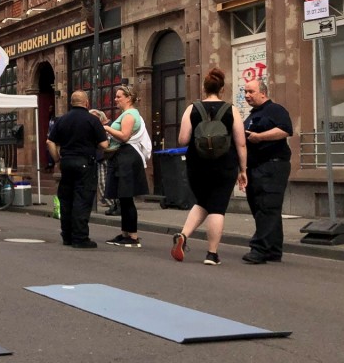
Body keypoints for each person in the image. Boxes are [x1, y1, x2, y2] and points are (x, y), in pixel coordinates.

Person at [169, 69, 248, 265]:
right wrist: (243, 169)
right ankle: (212, 254)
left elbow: (182, 140)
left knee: (204, 200)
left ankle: (184, 235)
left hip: (197, 165)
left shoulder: (191, 109)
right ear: (222, 89)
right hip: (224, 164)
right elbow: (241, 143)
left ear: (204, 89)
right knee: (217, 207)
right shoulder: (231, 110)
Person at [241, 79, 293, 264]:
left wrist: (260, 137)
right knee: (262, 208)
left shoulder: (275, 110)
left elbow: (286, 130)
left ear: (262, 92)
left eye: (251, 92)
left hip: (273, 165)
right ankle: (273, 250)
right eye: (245, 92)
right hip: (256, 168)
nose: (247, 95)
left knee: (267, 207)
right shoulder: (251, 116)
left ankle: (259, 249)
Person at [48, 91, 109, 248]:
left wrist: (57, 159)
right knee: (82, 199)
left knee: (66, 199)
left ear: (71, 102)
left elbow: (50, 141)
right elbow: (104, 145)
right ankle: (80, 237)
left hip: (66, 163)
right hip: (85, 163)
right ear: (87, 103)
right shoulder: (92, 120)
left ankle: (67, 236)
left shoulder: (61, 120)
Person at [102, 85, 151, 248]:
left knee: (127, 197)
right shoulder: (126, 114)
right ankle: (125, 233)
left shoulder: (130, 115)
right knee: (123, 198)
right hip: (123, 158)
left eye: (118, 96)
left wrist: (107, 128)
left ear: (128, 98)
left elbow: (124, 136)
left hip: (127, 158)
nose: (115, 99)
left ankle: (133, 236)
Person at [88, 109, 113, 209]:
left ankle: (114, 203)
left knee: (111, 181)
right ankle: (110, 202)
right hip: (100, 158)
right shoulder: (93, 128)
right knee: (102, 182)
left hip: (110, 156)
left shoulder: (110, 125)